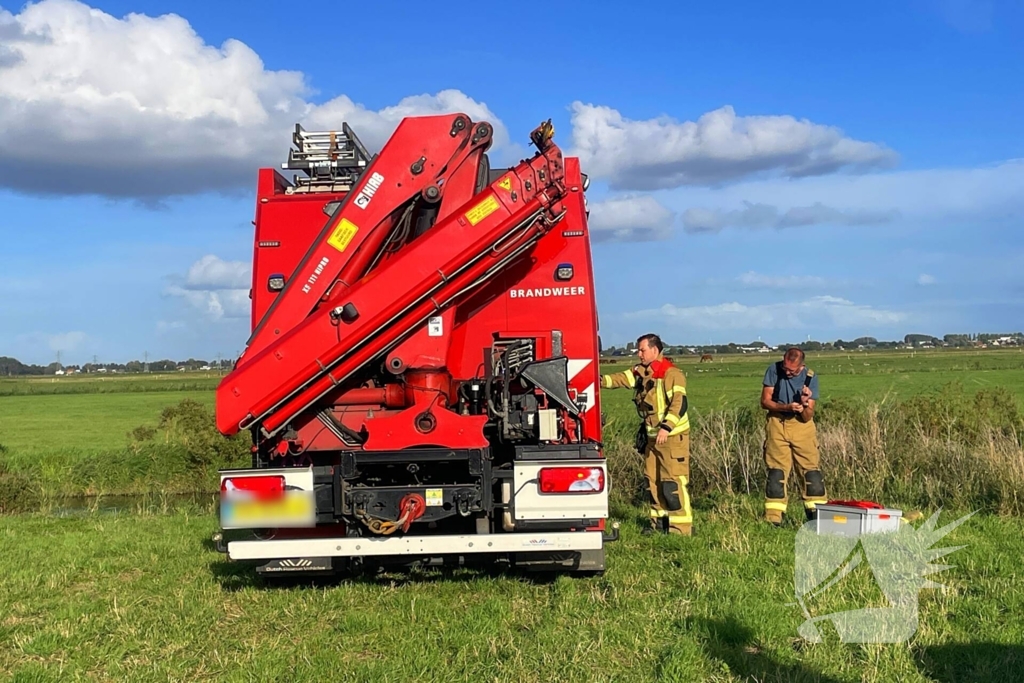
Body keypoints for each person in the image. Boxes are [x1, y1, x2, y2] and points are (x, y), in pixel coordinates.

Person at [602, 334, 693, 535]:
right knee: (652, 481)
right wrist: (597, 380)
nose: (639, 354)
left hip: (671, 437)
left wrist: (666, 427)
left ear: (655, 350)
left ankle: (681, 528)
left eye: (642, 350)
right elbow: (620, 379)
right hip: (653, 438)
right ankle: (658, 524)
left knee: (672, 482)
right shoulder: (641, 372)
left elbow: (679, 404)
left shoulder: (671, 374)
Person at [760, 347, 827, 525]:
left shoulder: (810, 377)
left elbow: (807, 417)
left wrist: (805, 404)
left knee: (810, 472)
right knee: (776, 472)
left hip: (802, 427)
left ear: (801, 366)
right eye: (785, 368)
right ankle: (773, 518)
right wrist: (786, 407)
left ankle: (816, 517)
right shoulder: (774, 370)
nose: (787, 372)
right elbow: (765, 401)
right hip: (777, 423)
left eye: (792, 370)